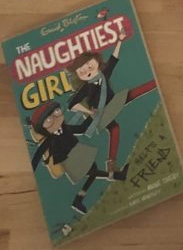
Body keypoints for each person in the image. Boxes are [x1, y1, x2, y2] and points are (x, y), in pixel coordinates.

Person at [68, 29, 157, 175]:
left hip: (114, 101)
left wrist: (119, 40)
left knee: (134, 93)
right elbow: (72, 104)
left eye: (89, 67)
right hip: (101, 113)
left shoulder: (103, 74)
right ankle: (111, 165)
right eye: (82, 72)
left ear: (96, 62)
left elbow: (113, 59)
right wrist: (89, 112)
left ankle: (156, 83)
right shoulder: (86, 88)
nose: (87, 71)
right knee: (106, 129)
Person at [28, 101, 128, 215]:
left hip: (78, 151)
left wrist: (91, 116)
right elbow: (38, 154)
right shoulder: (50, 140)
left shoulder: (66, 128)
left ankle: (78, 199)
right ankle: (117, 176)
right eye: (48, 120)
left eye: (56, 112)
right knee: (92, 172)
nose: (55, 118)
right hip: (69, 160)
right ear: (42, 128)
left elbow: (82, 128)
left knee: (93, 169)